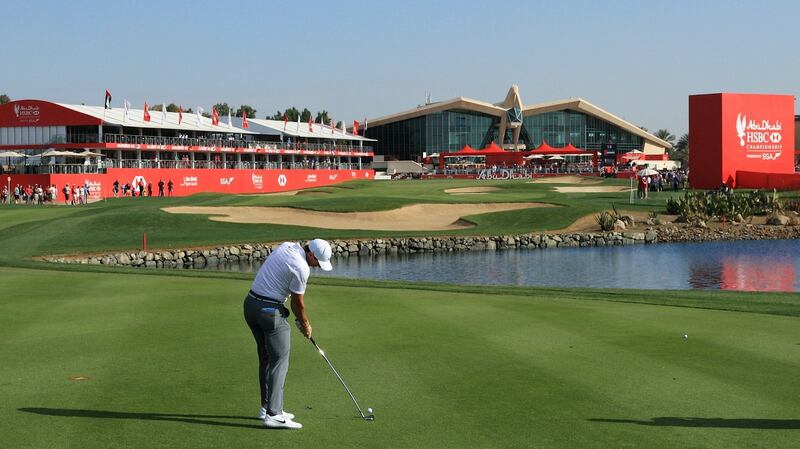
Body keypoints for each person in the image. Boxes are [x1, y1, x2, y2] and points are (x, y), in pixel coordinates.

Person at [243, 239, 333, 430]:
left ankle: (267, 407)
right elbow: (297, 304)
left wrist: (300, 320)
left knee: (267, 357)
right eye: (318, 262)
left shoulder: (287, 245)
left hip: (250, 305)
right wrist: (306, 324)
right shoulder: (302, 267)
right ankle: (274, 415)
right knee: (280, 360)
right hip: (269, 312)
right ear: (311, 255)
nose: (317, 266)